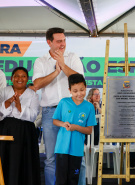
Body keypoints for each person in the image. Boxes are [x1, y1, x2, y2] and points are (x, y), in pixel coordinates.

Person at [32, 27, 84, 185]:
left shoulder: (72, 57)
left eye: (64, 40)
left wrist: (62, 64)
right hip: (50, 113)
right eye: (59, 41)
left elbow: (79, 79)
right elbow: (37, 84)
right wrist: (55, 72)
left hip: (73, 111)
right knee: (51, 158)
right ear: (49, 42)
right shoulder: (40, 61)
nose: (63, 44)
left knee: (77, 156)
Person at [52, 74, 96, 185]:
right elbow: (55, 121)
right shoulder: (63, 102)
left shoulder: (89, 107)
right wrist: (63, 124)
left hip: (77, 149)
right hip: (61, 148)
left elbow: (89, 130)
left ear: (86, 88)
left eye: (82, 90)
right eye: (75, 91)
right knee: (60, 180)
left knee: (73, 179)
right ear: (69, 90)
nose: (79, 94)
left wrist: (75, 127)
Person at [0, 67, 40, 185]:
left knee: (24, 161)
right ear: (12, 78)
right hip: (5, 129)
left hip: (25, 132)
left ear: (27, 79)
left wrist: (19, 107)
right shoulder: (4, 91)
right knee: (6, 160)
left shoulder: (33, 95)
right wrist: (7, 103)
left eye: (23, 76)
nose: (20, 79)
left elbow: (33, 115)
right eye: (16, 76)